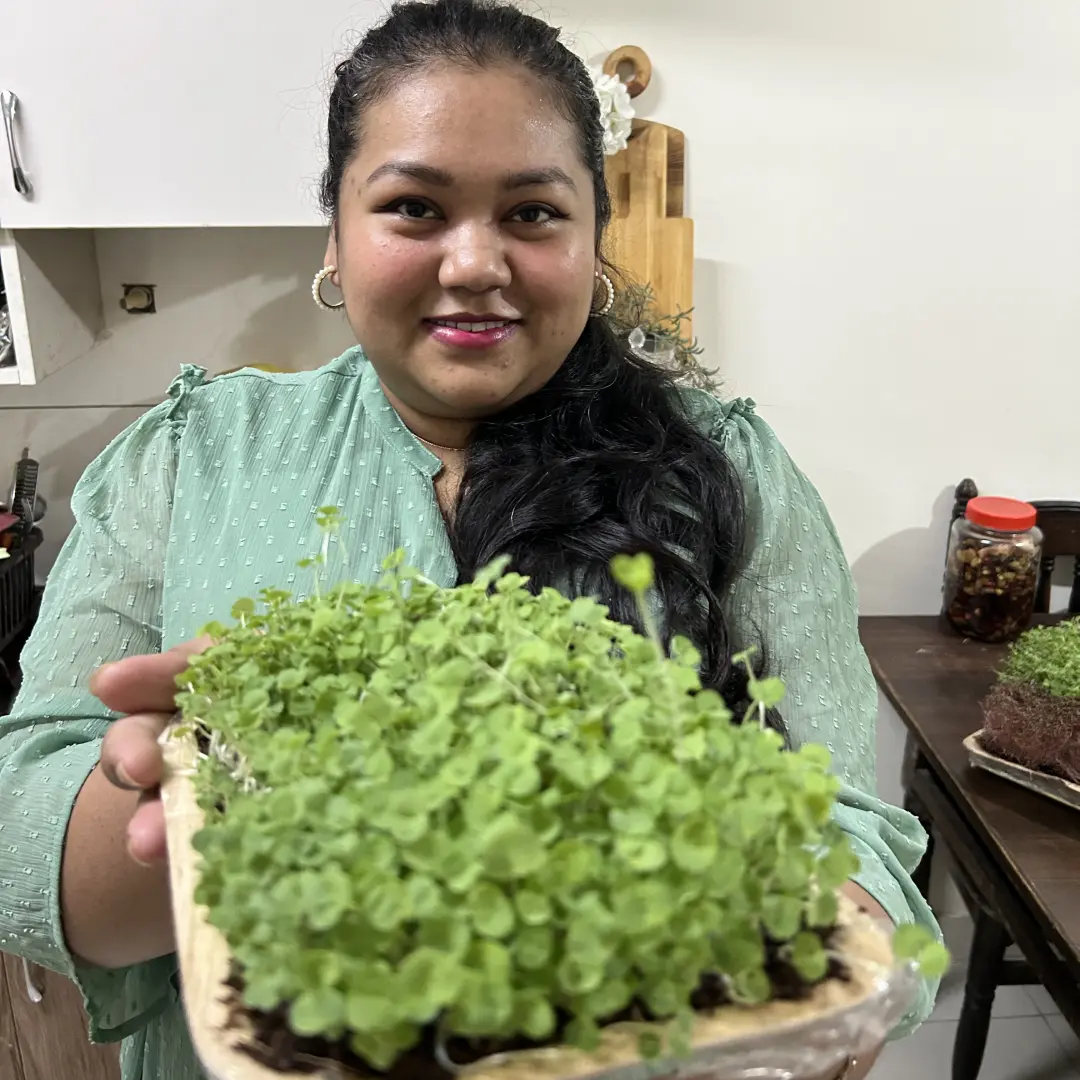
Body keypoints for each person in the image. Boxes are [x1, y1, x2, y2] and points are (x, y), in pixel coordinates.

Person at [0, 2, 939, 1078]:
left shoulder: (730, 467)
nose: (474, 263)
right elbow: (19, 831)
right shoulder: (190, 456)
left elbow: (850, 831)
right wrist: (202, 788)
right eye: (413, 207)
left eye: (533, 213)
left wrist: (814, 1007)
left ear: (592, 240)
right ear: (336, 240)